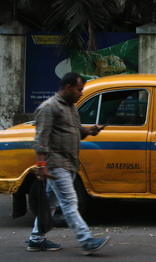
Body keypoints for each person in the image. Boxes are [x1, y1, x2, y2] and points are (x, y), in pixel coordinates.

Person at [28, 72, 110, 254]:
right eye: (80, 90)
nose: (81, 93)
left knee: (50, 202)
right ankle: (86, 240)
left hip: (70, 162)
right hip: (57, 164)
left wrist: (89, 130)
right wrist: (41, 166)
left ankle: (36, 239)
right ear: (68, 88)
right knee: (70, 202)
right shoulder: (48, 108)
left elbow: (74, 131)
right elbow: (40, 139)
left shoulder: (71, 107)